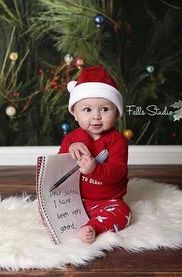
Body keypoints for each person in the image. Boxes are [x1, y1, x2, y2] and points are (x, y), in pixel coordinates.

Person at [59, 65, 131, 244]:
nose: (96, 116)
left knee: (123, 213)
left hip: (107, 200)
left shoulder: (117, 141)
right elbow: (59, 169)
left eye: (105, 109)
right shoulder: (71, 139)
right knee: (48, 211)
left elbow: (118, 171)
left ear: (117, 114)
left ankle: (94, 227)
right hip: (76, 199)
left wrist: (94, 169)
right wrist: (68, 151)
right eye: (87, 110)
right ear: (74, 113)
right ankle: (68, 222)